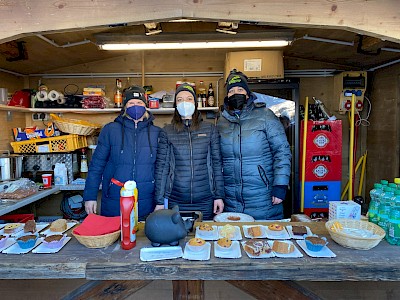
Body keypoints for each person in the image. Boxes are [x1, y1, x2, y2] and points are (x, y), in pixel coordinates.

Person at [217, 70, 291, 220]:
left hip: (264, 197)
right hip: (232, 200)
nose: (235, 93)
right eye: (231, 91)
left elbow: (282, 151)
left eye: (240, 89)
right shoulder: (222, 122)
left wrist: (280, 185)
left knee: (264, 240)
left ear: (247, 93)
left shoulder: (265, 116)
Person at [83, 85, 161, 219]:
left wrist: (161, 201)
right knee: (115, 237)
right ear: (125, 107)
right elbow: (96, 165)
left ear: (145, 106)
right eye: (131, 103)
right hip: (115, 199)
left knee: (145, 238)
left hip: (147, 201)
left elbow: (162, 169)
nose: (135, 106)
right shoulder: (110, 130)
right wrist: (90, 196)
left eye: (139, 103)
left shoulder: (156, 133)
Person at [154, 83, 225, 220]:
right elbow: (162, 168)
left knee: (204, 238)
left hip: (205, 200)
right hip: (176, 200)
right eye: (180, 100)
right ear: (175, 105)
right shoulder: (167, 132)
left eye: (189, 99)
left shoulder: (210, 130)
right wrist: (159, 200)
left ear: (195, 103)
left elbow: (217, 165)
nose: (184, 103)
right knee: (177, 238)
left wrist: (219, 196)